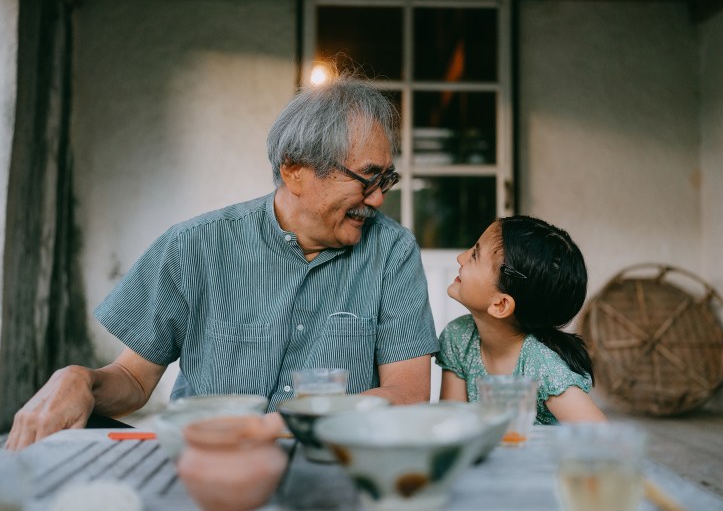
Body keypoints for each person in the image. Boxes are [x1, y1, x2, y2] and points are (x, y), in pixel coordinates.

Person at [6, 76, 438, 450]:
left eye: (386, 180)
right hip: (209, 467)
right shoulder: (195, 247)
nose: (380, 198)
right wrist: (80, 379)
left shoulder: (391, 253)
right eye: (367, 179)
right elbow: (134, 382)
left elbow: (407, 394)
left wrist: (288, 426)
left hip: (335, 467)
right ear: (295, 171)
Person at [436, 215, 606, 424]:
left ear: (501, 305)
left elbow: (603, 438)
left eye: (474, 256)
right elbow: (452, 425)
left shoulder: (541, 365)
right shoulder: (458, 337)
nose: (461, 257)